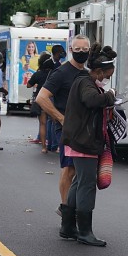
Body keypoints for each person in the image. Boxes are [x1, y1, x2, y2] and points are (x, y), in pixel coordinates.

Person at [61, 44, 118, 247]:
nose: (107, 78)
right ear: (99, 71)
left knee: (79, 182)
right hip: (83, 142)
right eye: (107, 74)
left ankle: (67, 227)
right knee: (86, 185)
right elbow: (92, 100)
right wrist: (110, 95)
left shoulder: (84, 80)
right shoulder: (86, 83)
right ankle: (85, 231)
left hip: (79, 140)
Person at [35, 35, 91, 206]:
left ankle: (74, 206)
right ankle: (65, 208)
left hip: (85, 129)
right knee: (68, 168)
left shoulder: (88, 74)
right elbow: (41, 97)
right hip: (66, 129)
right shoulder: (61, 72)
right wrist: (60, 118)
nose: (81, 52)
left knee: (81, 170)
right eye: (78, 49)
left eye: (85, 50)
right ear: (71, 50)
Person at [28, 53, 57, 151]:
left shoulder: (38, 74)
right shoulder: (54, 74)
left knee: (43, 123)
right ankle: (56, 146)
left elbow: (28, 85)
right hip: (51, 99)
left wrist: (36, 83)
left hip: (40, 99)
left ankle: (44, 147)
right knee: (55, 122)